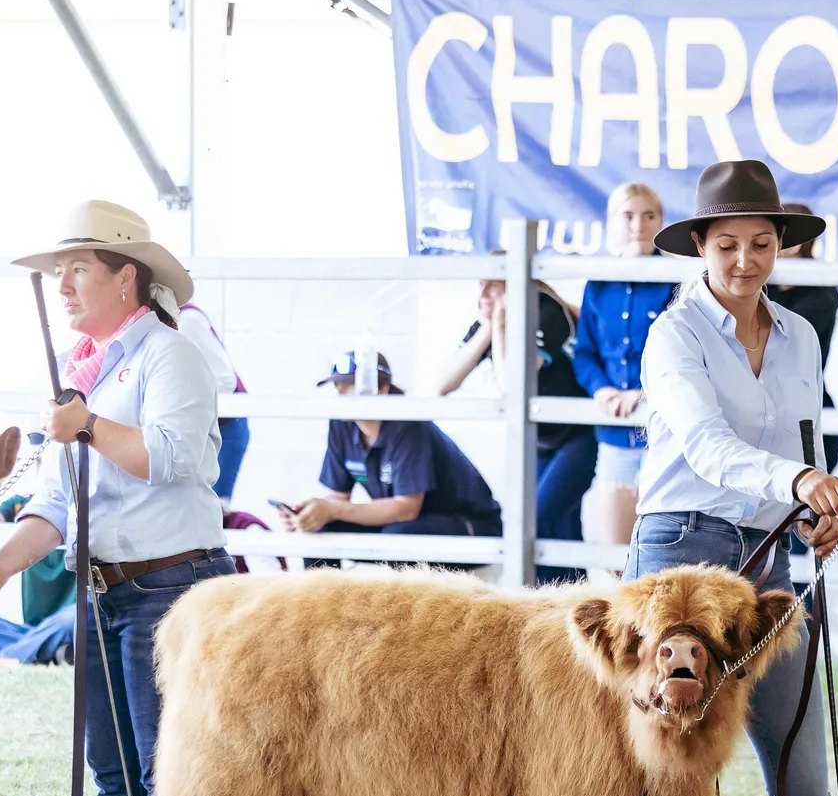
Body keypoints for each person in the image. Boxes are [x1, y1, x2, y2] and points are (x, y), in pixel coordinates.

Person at [0, 200, 234, 796]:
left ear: (127, 277)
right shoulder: (89, 377)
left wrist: (85, 428)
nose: (64, 285)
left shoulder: (167, 357)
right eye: (58, 271)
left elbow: (179, 459)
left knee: (165, 771)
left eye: (78, 268)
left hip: (169, 587)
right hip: (107, 589)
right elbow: (56, 502)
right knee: (113, 770)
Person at [635, 158, 838, 796]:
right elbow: (702, 444)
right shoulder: (673, 337)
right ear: (700, 246)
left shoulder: (804, 338)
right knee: (675, 781)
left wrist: (814, 515)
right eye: (728, 243)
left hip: (773, 564)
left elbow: (807, 440)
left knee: (802, 780)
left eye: (762, 243)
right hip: (682, 558)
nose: (746, 258)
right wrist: (798, 479)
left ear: (783, 246)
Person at [435, 265, 594, 583]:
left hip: (580, 433)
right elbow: (443, 383)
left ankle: (554, 605)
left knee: (537, 519)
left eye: (492, 286)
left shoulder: (546, 311)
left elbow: (512, 386)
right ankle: (571, 612)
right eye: (480, 285)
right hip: (541, 437)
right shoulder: (492, 319)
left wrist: (500, 325)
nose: (482, 295)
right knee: (560, 528)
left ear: (516, 285)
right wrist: (488, 328)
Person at [280, 352, 502, 564]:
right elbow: (338, 499)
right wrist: (310, 515)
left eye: (350, 384)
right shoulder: (341, 424)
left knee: (398, 538)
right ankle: (322, 605)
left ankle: (389, 605)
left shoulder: (408, 422)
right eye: (337, 385)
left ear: (382, 388)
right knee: (322, 531)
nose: (340, 393)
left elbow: (406, 509)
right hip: (406, 525)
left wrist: (332, 510)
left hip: (471, 527)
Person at [572, 181, 674, 555]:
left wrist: (646, 393)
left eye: (649, 216)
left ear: (661, 222)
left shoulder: (680, 281)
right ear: (612, 222)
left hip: (665, 434)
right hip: (615, 437)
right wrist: (602, 388)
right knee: (615, 554)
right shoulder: (598, 282)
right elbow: (584, 353)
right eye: (628, 216)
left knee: (661, 555)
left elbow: (689, 358)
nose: (638, 225)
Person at [767, 201, 838, 476]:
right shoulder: (758, 286)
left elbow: (779, 346)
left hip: (803, 413)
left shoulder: (822, 294)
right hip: (760, 411)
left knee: (805, 510)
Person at [179, 299, 251, 503]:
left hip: (222, 430)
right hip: (198, 432)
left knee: (213, 509)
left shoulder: (187, 320)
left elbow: (225, 382)